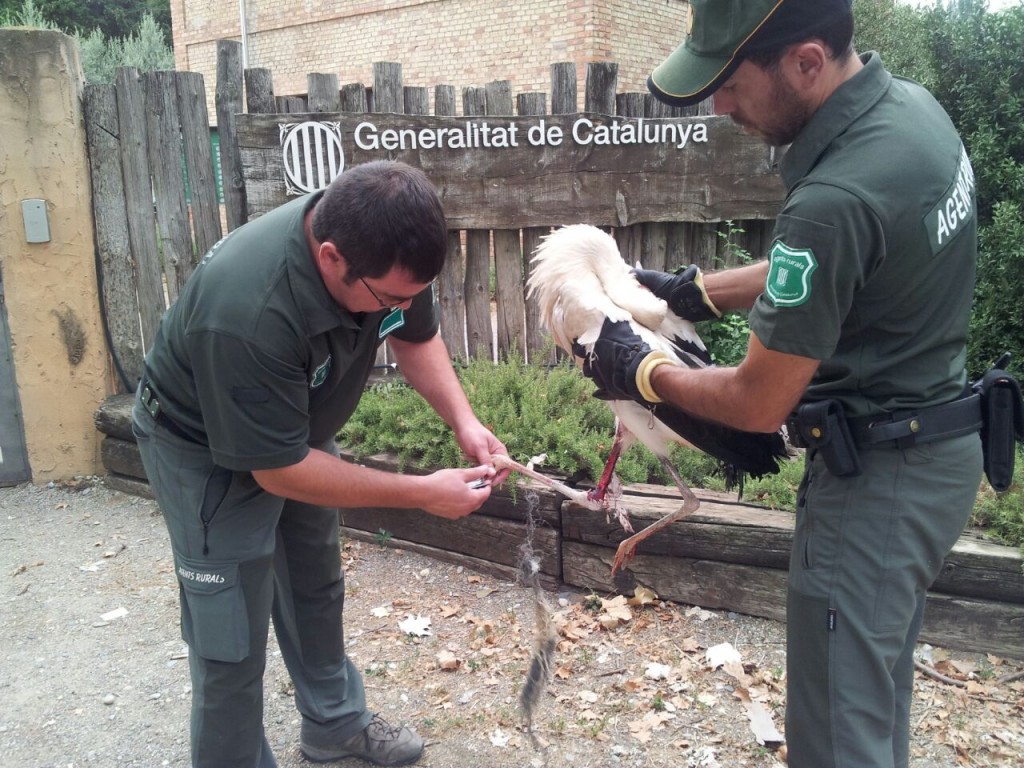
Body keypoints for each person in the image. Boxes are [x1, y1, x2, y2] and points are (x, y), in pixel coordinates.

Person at [576, 2, 983, 767]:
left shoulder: (832, 199)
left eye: (731, 84)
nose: (720, 105)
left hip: (875, 490)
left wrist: (639, 368)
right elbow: (849, 262)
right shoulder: (912, 118)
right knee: (871, 712)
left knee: (836, 742)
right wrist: (695, 293)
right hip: (935, 459)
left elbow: (759, 403)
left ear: (805, 61)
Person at [131, 159, 509, 768]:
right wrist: (420, 493)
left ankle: (334, 725)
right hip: (202, 452)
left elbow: (414, 335)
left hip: (296, 434)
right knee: (229, 639)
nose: (404, 304)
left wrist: (465, 422)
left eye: (413, 292)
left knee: (315, 583)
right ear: (331, 257)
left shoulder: (389, 244)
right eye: (393, 297)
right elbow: (277, 470)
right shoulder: (247, 310)